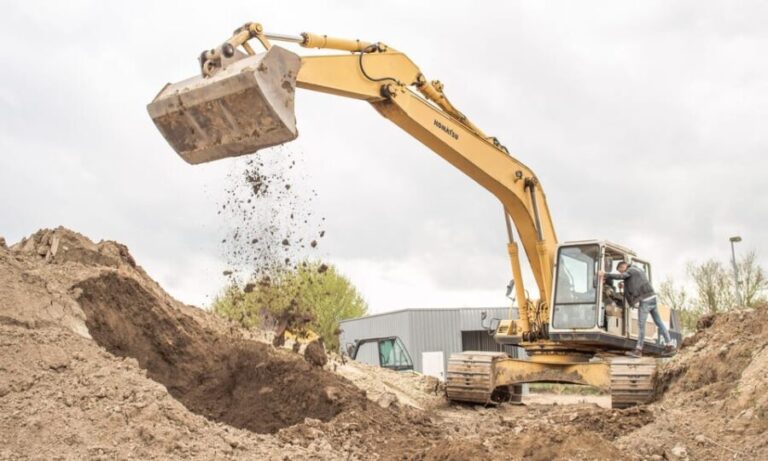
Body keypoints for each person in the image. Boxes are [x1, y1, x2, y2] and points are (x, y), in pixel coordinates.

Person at [598, 262, 675, 357]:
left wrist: (605, 274)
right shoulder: (638, 270)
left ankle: (638, 350)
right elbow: (636, 282)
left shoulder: (630, 270)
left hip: (645, 301)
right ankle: (670, 345)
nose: (621, 272)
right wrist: (625, 285)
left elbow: (622, 276)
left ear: (623, 266)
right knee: (659, 322)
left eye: (620, 270)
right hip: (652, 298)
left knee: (641, 325)